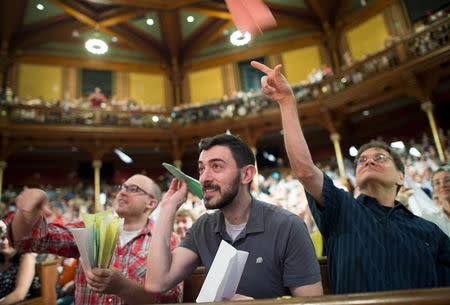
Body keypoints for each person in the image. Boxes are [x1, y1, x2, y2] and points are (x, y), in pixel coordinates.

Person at [251, 61, 450, 294]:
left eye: (380, 158)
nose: (369, 161)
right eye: (362, 161)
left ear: (400, 177)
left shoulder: (428, 231)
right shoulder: (343, 209)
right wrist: (286, 102)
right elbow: (305, 170)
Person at [145, 133, 323, 300]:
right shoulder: (203, 226)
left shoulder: (288, 226)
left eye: (216, 166)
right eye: (201, 169)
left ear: (246, 175)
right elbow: (157, 282)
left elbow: (313, 303)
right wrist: (168, 208)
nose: (204, 178)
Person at [7, 174, 182, 305]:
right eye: (122, 187)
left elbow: (171, 299)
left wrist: (123, 287)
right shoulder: (91, 228)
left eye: (133, 189)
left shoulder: (168, 240)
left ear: (150, 203)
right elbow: (29, 241)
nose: (121, 192)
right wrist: (25, 214)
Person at [0, 222, 40, 305]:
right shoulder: (2, 259)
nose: (4, 242)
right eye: (1, 238)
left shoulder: (26, 257)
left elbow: (19, 295)